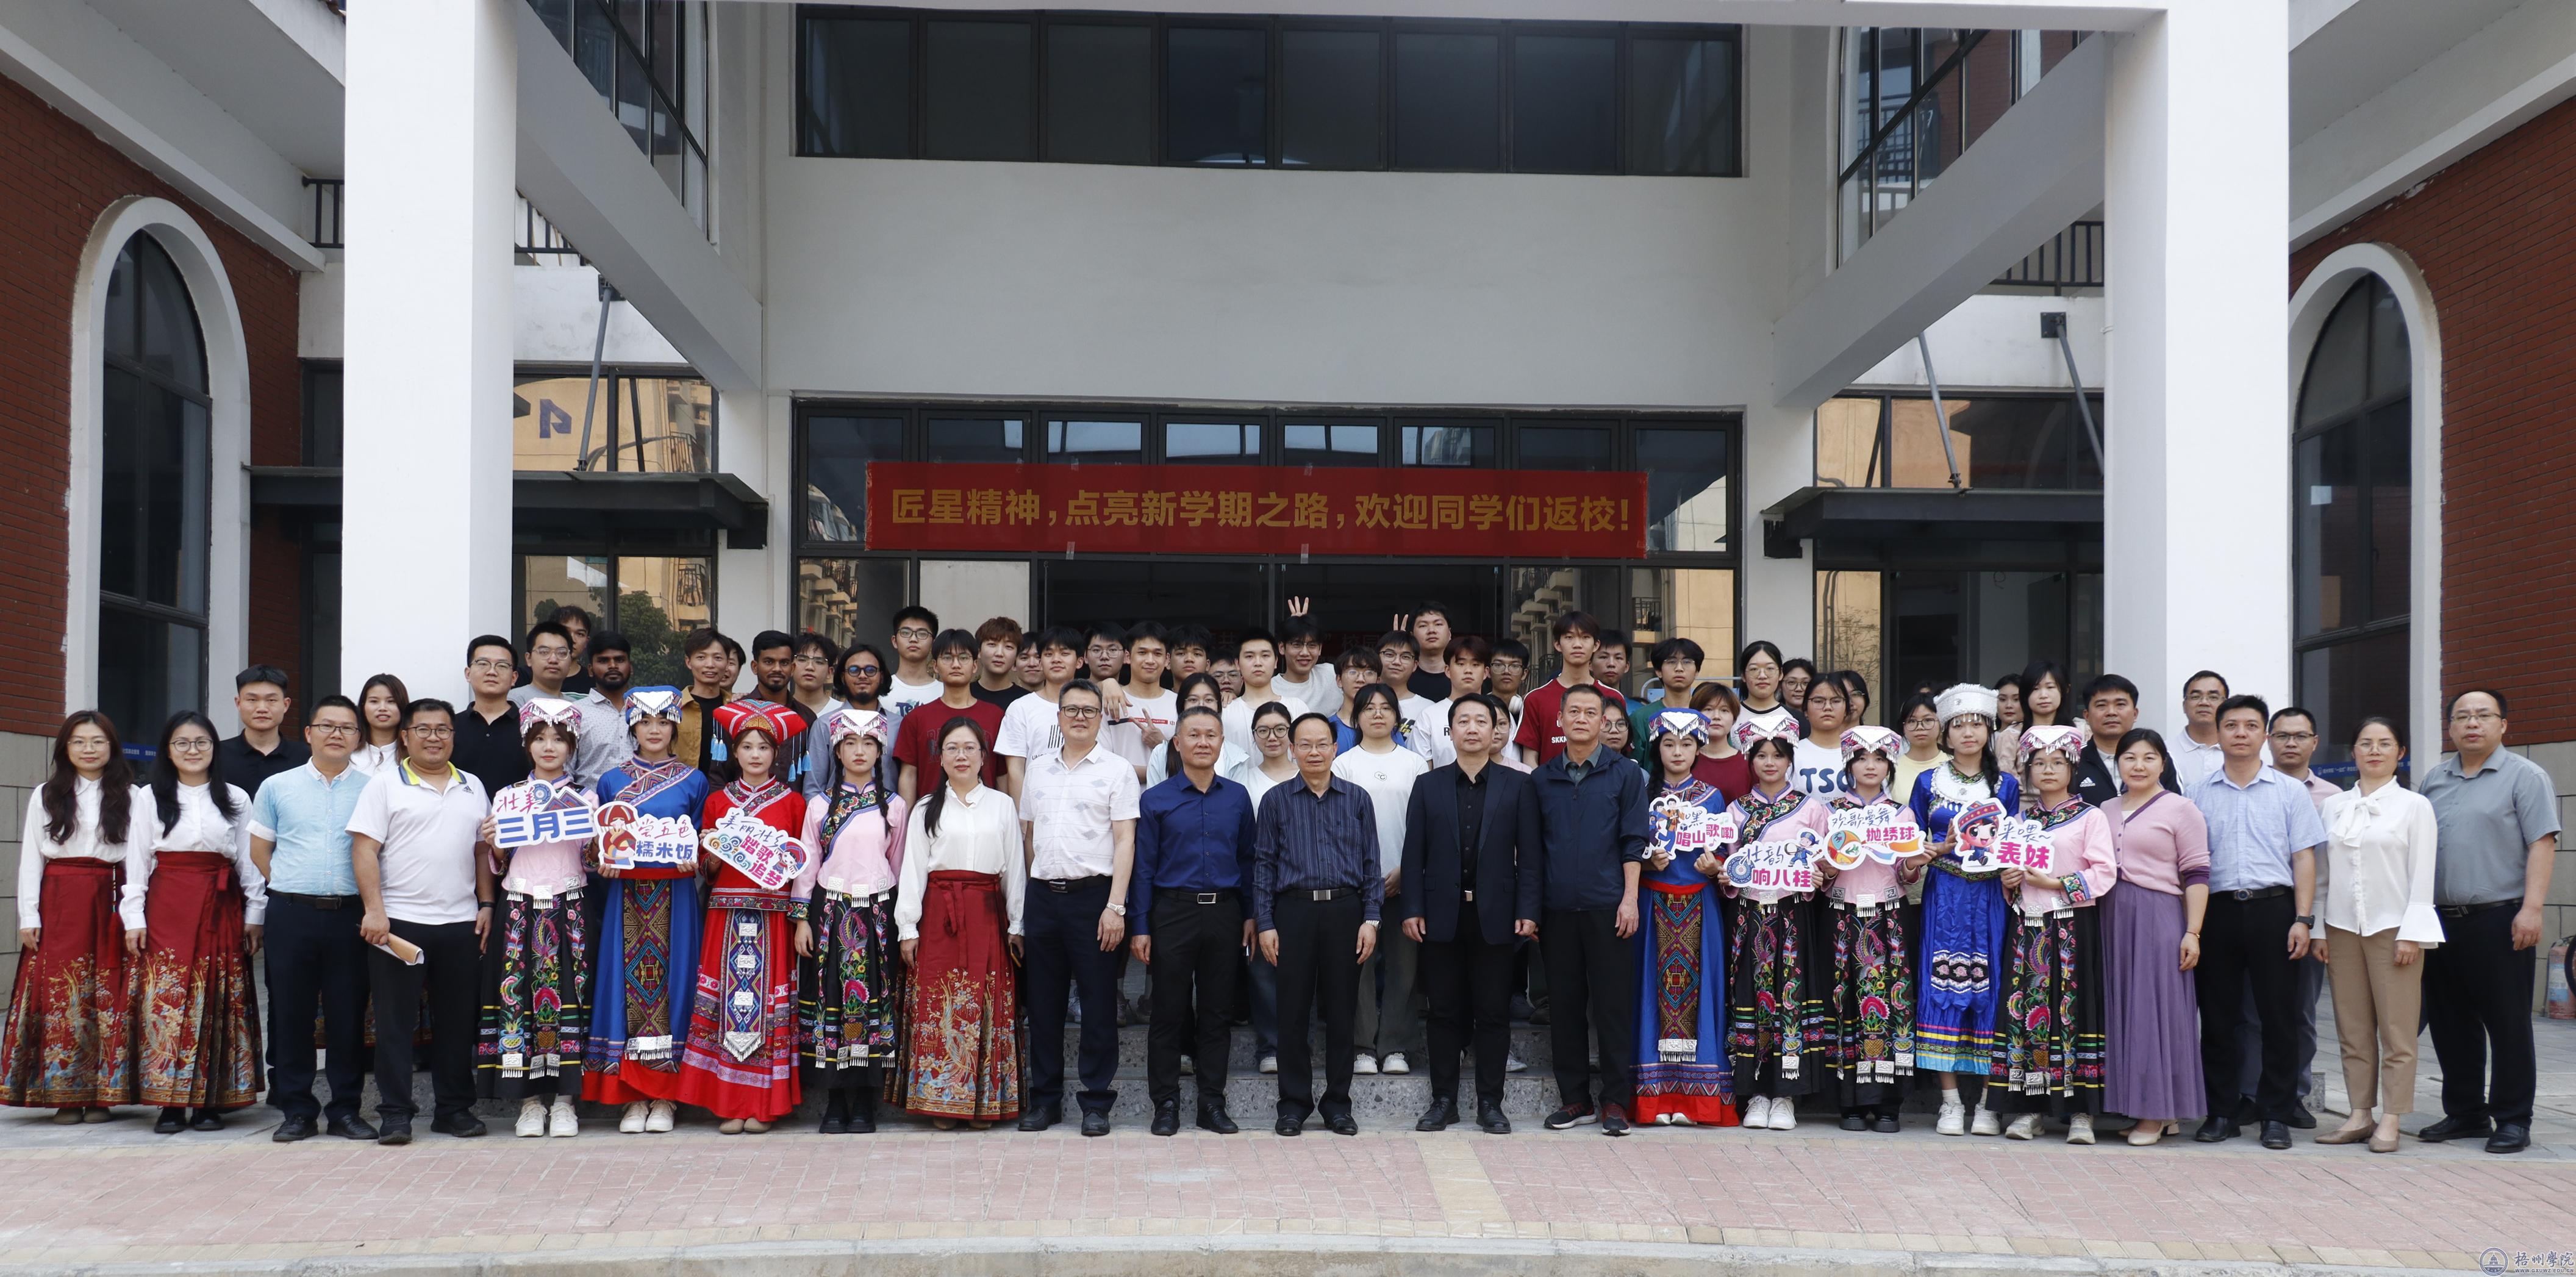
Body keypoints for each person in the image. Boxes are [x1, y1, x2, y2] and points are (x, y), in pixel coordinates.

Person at [2417, 689, 2560, 1156]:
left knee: (2508, 1023)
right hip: (2441, 921)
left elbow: (2542, 843)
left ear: (2503, 724)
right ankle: (2466, 1113)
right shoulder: (2434, 780)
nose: (2472, 724)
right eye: (2462, 716)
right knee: (2450, 1022)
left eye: (2483, 715)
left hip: (2500, 918)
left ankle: (2514, 1118)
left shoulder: (2525, 776)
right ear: (2450, 727)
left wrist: (2532, 909)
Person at [2183, 693, 2324, 1151]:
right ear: (2219, 733)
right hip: (2218, 911)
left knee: (2279, 1016)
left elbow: (2304, 858)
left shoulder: (2289, 791)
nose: (2240, 734)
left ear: (2264, 734)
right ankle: (2221, 1111)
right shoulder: (2197, 793)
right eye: (2231, 726)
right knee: (2218, 1016)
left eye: (2250, 726)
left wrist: (2303, 919)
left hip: (2275, 910)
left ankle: (2276, 1114)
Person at [349, 698, 493, 1143]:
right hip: (400, 922)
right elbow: (364, 849)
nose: (434, 738)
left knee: (457, 1022)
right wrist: (374, 910)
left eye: (443, 729)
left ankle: (454, 1110)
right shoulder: (384, 785)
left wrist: (487, 904)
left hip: (461, 921)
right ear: (406, 737)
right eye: (424, 730)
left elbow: (481, 851)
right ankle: (395, 1113)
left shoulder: (473, 785)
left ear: (454, 736)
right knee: (395, 1024)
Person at [123, 710, 266, 1134]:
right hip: (167, 904)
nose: (192, 750)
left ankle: (210, 1101)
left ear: (214, 749)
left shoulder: (236, 798)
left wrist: (255, 914)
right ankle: (169, 1103)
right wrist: (133, 917)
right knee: (166, 1000)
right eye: (182, 743)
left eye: (201, 742)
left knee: (218, 1000)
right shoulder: (148, 798)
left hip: (222, 905)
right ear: (168, 751)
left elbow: (249, 862)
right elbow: (137, 860)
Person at [1400, 694, 1536, 1134]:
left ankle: (1490, 1104)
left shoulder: (1518, 785)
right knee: (1443, 1012)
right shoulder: (1428, 785)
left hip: (1498, 915)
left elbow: (1531, 856)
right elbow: (1413, 853)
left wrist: (1528, 909)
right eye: (1464, 721)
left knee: (1493, 1013)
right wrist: (1413, 908)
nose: (1473, 729)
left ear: (1498, 731)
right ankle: (1444, 1101)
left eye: (1483, 721)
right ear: (1451, 731)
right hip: (1441, 914)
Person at [673, 701, 809, 1133]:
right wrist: (712, 854)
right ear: (734, 753)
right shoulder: (718, 802)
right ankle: (730, 1103)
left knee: (765, 1007)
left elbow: (800, 865)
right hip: (726, 913)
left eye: (763, 748)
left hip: (772, 916)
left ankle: (763, 1106)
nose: (755, 755)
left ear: (776, 755)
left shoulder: (793, 804)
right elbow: (705, 866)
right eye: (747, 747)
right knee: (729, 1005)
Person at [248, 695, 376, 1142]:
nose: (336, 734)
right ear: (308, 733)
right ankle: (297, 1110)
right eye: (327, 726)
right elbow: (259, 850)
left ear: (358, 738)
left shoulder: (374, 789)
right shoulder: (277, 786)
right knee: (291, 1013)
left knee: (347, 1015)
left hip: (351, 916)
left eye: (347, 728)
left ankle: (345, 1110)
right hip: (291, 913)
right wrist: (292, 884)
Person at [1015, 679, 1140, 1135]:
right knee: (1043, 1004)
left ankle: (1096, 1103)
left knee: (1098, 1003)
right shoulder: (1038, 770)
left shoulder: (1118, 770)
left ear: (1100, 717)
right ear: (1059, 717)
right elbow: (1029, 835)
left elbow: (1126, 840)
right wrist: (1027, 902)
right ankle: (1045, 1101)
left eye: (1089, 710)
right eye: (1072, 710)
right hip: (1044, 897)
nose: (1081, 717)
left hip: (1095, 899)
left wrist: (1116, 906)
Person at [2313, 717, 2440, 1155]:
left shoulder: (2414, 806)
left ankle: (2392, 1117)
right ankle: (2359, 1113)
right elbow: (2323, 874)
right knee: (2352, 1028)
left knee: (2397, 1030)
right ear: (2353, 752)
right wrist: (2318, 928)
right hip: (2342, 927)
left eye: (2385, 744)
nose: (2374, 751)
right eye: (2365, 743)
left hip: (2394, 929)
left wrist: (2412, 933)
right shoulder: (2334, 806)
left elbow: (2422, 873)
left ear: (2400, 753)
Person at [585, 688, 709, 1134]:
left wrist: (696, 858)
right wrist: (600, 858)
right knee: (623, 985)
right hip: (627, 896)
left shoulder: (694, 781)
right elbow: (598, 843)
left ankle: (666, 1095)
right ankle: (632, 1096)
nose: (654, 730)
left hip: (676, 896)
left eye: (663, 722)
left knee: (676, 985)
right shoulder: (611, 781)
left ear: (675, 727)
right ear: (632, 727)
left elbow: (702, 841)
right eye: (645, 722)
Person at [4, 712, 138, 1120]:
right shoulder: (46, 794)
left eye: (98, 741)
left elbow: (140, 858)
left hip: (112, 896)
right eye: (79, 742)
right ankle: (64, 1093)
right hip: (60, 899)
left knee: (108, 991)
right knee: (63, 992)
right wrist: (29, 915)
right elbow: (32, 857)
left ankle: (102, 1095)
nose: (88, 749)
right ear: (65, 748)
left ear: (112, 747)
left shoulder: (132, 795)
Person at [1252, 713, 1382, 1136]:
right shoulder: (1276, 800)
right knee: (1292, 1012)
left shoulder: (1357, 798)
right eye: (1304, 744)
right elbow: (1264, 865)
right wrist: (1266, 922)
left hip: (1346, 911)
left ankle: (1338, 1105)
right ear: (1292, 749)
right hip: (1293, 912)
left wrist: (1371, 918)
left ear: (1335, 748)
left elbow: (1371, 863)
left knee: (1343, 1011)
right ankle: (1293, 1105)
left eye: (1322, 743)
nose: (1314, 752)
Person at [1987, 724, 2118, 1144]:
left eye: (2057, 763)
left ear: (2073, 768)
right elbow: (2010, 877)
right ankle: (2030, 1109)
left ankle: (2081, 1112)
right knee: (2029, 1014)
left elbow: (2105, 872)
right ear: (2027, 771)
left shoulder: (2091, 817)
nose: (2047, 770)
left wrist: (2056, 883)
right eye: (2039, 763)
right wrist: (2009, 880)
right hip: (2028, 927)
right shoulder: (2019, 822)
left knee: (2074, 1014)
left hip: (2072, 926)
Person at [1130, 706, 1258, 1136]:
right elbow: (1143, 869)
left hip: (1225, 912)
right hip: (1173, 912)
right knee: (1168, 1012)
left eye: (1211, 735)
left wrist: (1250, 914)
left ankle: (1211, 1104)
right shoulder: (1156, 799)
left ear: (1222, 743)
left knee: (1217, 1012)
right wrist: (1140, 926)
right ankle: (1165, 1104)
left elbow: (1248, 859)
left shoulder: (1237, 797)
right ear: (1177, 744)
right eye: (1194, 735)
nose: (1203, 742)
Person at [896, 718, 1026, 1128]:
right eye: (952, 748)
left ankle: (983, 1103)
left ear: (984, 757)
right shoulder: (925, 808)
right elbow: (913, 870)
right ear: (941, 757)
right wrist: (908, 928)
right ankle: (940, 1102)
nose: (961, 756)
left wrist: (1017, 924)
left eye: (970, 748)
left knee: (986, 1004)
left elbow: (1015, 869)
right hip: (939, 916)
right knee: (941, 1005)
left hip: (987, 913)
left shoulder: (1002, 805)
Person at [474, 698, 595, 1138]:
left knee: (570, 997)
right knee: (518, 1000)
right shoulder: (509, 796)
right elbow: (501, 859)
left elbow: (592, 860)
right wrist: (495, 842)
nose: (549, 747)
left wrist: (600, 842)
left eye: (558, 740)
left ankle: (564, 1102)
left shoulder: (586, 799)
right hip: (520, 904)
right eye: (540, 739)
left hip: (570, 903)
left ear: (571, 747)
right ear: (527, 745)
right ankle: (527, 1102)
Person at [1533, 684, 1649, 1136]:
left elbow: (1633, 841)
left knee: (1613, 1008)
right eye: (1574, 712)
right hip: (1557, 910)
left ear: (1604, 722)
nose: (1581, 719)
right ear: (1560, 720)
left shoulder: (1625, 774)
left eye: (1590, 713)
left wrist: (1630, 899)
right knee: (1564, 1008)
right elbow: (1533, 851)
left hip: (1610, 908)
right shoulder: (1542, 779)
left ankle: (1616, 1101)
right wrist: (1533, 909)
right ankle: (1575, 1100)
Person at [1908, 684, 2019, 1136]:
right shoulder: (1927, 782)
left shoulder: (2006, 785)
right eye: (1959, 726)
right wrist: (1936, 848)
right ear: (1946, 734)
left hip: (1990, 896)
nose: (1968, 733)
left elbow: (2015, 844)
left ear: (1989, 730)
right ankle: (1950, 1102)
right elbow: (1910, 845)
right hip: (1945, 895)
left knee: (1990, 987)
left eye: (1977, 724)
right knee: (1941, 985)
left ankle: (1989, 1103)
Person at [794, 709, 909, 1136]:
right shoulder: (819, 806)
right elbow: (807, 865)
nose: (859, 751)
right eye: (850, 744)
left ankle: (865, 1101)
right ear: (837, 751)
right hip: (830, 912)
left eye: (868, 744)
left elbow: (898, 863)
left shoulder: (894, 806)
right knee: (832, 1001)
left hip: (878, 914)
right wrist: (801, 919)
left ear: (880, 752)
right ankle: (835, 1100)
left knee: (873, 1000)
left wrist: (902, 920)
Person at [1711, 726, 1830, 1132]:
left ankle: (1785, 1096)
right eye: (1761, 755)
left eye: (1777, 755)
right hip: (1749, 915)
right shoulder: (1736, 810)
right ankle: (1756, 1094)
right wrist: (1724, 875)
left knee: (1789, 999)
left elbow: (1827, 862)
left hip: (1792, 915)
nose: (1769, 763)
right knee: (1751, 999)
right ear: (1751, 761)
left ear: (1789, 761)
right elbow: (1728, 865)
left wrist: (1821, 875)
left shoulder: (1810, 809)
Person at [2099, 728, 2209, 1146]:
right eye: (2130, 758)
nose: (2139, 765)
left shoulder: (2182, 809)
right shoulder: (2106, 809)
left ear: (2163, 763)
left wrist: (2192, 931)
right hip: (2112, 915)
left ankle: (2158, 1113)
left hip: (2159, 915)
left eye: (2149, 757)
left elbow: (2197, 872)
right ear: (2118, 764)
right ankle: (2147, 1108)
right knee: (2124, 1010)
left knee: (2155, 1012)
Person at [1626, 709, 1735, 1129]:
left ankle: (1696, 1100)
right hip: (1652, 901)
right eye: (1669, 744)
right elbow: (1625, 846)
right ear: (1657, 748)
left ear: (1698, 749)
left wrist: (1715, 866)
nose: (1677, 752)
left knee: (1701, 995)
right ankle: (1654, 1098)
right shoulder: (1641, 792)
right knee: (1649, 997)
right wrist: (1645, 860)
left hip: (1699, 904)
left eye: (1686, 744)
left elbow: (1725, 855)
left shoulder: (1713, 798)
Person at [1821, 726, 1916, 1133]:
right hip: (1841, 913)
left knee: (1893, 1003)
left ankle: (1890, 1104)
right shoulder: (1830, 813)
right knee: (1843, 1001)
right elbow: (1822, 874)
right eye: (1862, 758)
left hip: (1888, 914)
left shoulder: (1901, 814)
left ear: (1889, 766)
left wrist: (1916, 862)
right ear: (1849, 765)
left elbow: (1906, 873)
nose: (1871, 766)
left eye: (1879, 759)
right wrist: (1826, 866)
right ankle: (1850, 1103)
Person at [1334, 684, 1430, 1077]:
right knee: (1358, 965)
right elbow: (1338, 828)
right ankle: (1361, 1046)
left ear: (1397, 717)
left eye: (1385, 708)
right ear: (1356, 717)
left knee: (1404, 968)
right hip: (1357, 882)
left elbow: (1424, 825)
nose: (1377, 714)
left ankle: (1396, 1047)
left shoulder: (1415, 764)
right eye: (1369, 708)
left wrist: (1407, 870)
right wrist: (1363, 877)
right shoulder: (1343, 764)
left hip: (1405, 880)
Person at [2259, 704, 2339, 1125]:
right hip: (2260, 912)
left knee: (2301, 1012)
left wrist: (2315, 923)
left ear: (2315, 742)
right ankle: (2252, 1093)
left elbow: (2331, 871)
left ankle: (2294, 1093)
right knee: (2252, 1013)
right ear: (2269, 740)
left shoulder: (2335, 799)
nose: (2291, 743)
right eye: (2282, 735)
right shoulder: (2254, 787)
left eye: (2300, 736)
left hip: (2308, 918)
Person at [1233, 699, 1301, 1076]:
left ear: (1291, 733)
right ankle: (1270, 1046)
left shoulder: (1309, 771)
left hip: (1302, 883)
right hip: (1258, 882)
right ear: (1254, 736)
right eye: (1263, 730)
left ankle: (1299, 1044)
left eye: (1280, 729)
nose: (1272, 737)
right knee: (1263, 966)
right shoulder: (1242, 778)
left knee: (1303, 967)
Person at [892, 629, 1006, 803]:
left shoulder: (996, 716)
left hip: (985, 814)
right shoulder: (916, 718)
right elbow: (909, 775)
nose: (956, 664)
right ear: (935, 666)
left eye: (963, 658)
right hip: (930, 814)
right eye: (947, 658)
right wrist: (908, 818)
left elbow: (1002, 775)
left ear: (975, 666)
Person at [1512, 612, 1630, 767]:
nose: (1577, 644)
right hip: (1550, 781)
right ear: (1557, 644)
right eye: (1569, 637)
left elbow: (1620, 753)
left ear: (1596, 645)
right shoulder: (1536, 698)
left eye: (1585, 637)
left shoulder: (1613, 696)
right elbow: (1530, 759)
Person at [995, 626, 1084, 799]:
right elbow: (1015, 771)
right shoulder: (1020, 708)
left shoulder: (1093, 708)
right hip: (1036, 807)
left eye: (1064, 653)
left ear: (1079, 662)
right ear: (1041, 662)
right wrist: (1023, 812)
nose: (1056, 659)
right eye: (1049, 654)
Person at [452, 635, 533, 796]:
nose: (492, 672)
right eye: (482, 664)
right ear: (468, 674)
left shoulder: (532, 727)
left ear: (514, 678)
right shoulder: (449, 727)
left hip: (518, 810)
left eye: (502, 666)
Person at [809, 642, 894, 796]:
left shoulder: (898, 725)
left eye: (870, 670)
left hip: (888, 810)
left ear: (881, 676)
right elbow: (813, 789)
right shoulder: (825, 725)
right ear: (843, 677)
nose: (862, 676)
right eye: (854, 670)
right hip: (834, 810)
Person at [2075, 675, 2172, 807]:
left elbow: (2176, 807)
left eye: (2120, 705)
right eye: (2101, 706)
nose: (2111, 712)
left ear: (2135, 713)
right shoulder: (2073, 760)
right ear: (2087, 715)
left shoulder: (2158, 758)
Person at [218, 665, 307, 797]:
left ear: (286, 705)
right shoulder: (216, 755)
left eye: (271, 700)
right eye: (252, 700)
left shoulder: (306, 757)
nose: (262, 708)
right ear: (238, 703)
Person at [1148, 674, 1246, 786]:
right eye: (1193, 700)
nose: (1201, 705)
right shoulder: (1161, 753)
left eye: (1209, 700)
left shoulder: (1236, 757)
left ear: (1218, 706)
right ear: (1182, 705)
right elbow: (1155, 795)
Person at [571, 631, 638, 791]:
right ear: (590, 670)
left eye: (620, 660)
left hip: (643, 804)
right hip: (591, 804)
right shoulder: (575, 713)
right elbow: (565, 772)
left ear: (631, 667)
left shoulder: (646, 711)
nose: (613, 666)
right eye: (603, 661)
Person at [673, 628, 739, 778]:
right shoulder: (673, 708)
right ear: (689, 662)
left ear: (727, 663)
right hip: (684, 788)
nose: (710, 664)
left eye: (718, 658)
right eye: (701, 657)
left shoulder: (736, 709)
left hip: (727, 789)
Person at [1375, 631, 1446, 762]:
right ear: (1377, 658)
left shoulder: (1428, 709)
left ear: (1415, 665)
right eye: (1389, 655)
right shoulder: (1363, 703)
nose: (1397, 662)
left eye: (1405, 657)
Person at [1628, 639, 1704, 762]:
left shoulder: (1707, 714)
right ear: (1659, 671)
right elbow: (1635, 766)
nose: (1679, 668)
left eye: (1687, 662)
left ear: (1697, 671)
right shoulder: (1641, 717)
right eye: (1671, 662)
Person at [1220, 629, 1289, 759]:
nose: (1258, 663)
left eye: (1265, 656)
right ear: (1237, 664)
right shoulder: (1225, 711)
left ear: (1276, 662)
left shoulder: (1297, 707)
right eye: (1249, 657)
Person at [1993, 660, 2071, 770]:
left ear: (2063, 691)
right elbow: (2006, 776)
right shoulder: (2010, 737)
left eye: (2050, 687)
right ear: (2025, 695)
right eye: (2035, 689)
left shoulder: (2080, 731)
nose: (2043, 695)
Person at [1791, 673, 1857, 799]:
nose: (1828, 707)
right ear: (1805, 710)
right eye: (1818, 701)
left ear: (1846, 709)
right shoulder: (1791, 754)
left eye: (1836, 701)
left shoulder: (1860, 753)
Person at [2170, 670, 2234, 787]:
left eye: (2213, 697)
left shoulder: (2238, 751)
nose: (2204, 702)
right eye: (2196, 697)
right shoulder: (2165, 752)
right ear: (2184, 706)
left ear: (2226, 706)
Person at [1689, 683, 1752, 799]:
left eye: (1724, 710)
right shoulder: (1686, 760)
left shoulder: (1748, 763)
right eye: (1708, 709)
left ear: (1734, 719)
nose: (1716, 716)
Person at [1730, 642, 1797, 752]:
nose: (1762, 676)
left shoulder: (1796, 718)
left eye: (1770, 669)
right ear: (1743, 675)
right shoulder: (1730, 716)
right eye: (1754, 669)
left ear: (1781, 674)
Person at [883, 606, 943, 717]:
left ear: (933, 644)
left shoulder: (945, 693)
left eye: (922, 634)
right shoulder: (881, 691)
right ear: (895, 641)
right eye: (906, 633)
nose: (913, 639)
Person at [1273, 616, 1339, 715]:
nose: (1305, 653)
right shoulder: (1271, 689)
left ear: (1320, 649)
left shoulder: (1332, 675)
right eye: (1297, 645)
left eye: (1312, 645)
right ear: (1282, 648)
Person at [787, 631, 846, 736]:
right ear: (791, 667)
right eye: (802, 660)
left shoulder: (842, 713)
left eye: (819, 662)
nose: (810, 667)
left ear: (830, 672)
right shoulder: (780, 711)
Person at [1894, 692, 1947, 802]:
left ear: (1941, 724)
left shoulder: (1955, 765)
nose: (1920, 727)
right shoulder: (1890, 769)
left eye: (1928, 720)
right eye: (1912, 721)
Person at [510, 622, 579, 707]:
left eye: (562, 653)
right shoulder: (515, 700)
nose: (553, 660)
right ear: (529, 659)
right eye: (544, 652)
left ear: (570, 661)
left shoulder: (575, 706)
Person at [352, 674, 408, 777]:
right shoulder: (349, 752)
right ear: (363, 707)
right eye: (374, 701)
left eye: (391, 701)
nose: (382, 708)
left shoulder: (413, 755)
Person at [1326, 649, 1381, 752]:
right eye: (1352, 672)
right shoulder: (1326, 728)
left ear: (1378, 681)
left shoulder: (1386, 726)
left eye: (1369, 673)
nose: (1361, 679)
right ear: (1339, 680)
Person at [971, 617, 1028, 709]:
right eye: (992, 645)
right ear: (979, 651)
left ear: (1016, 656)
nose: (999, 653)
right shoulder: (964, 696)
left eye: (1009, 647)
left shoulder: (1026, 701)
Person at [1407, 604, 1456, 702]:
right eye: (1423, 626)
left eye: (1438, 624)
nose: (1431, 631)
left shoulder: (1463, 676)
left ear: (1449, 633)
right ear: (1412, 636)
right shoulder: (1403, 677)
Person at [547, 604, 598, 697]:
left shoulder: (594, 683)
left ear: (586, 642)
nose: (572, 640)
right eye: (566, 631)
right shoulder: (528, 677)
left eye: (580, 634)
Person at [1779, 658, 1817, 723]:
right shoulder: (1773, 718)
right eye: (1792, 682)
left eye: (1805, 683)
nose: (1799, 689)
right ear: (1780, 686)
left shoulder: (1821, 717)